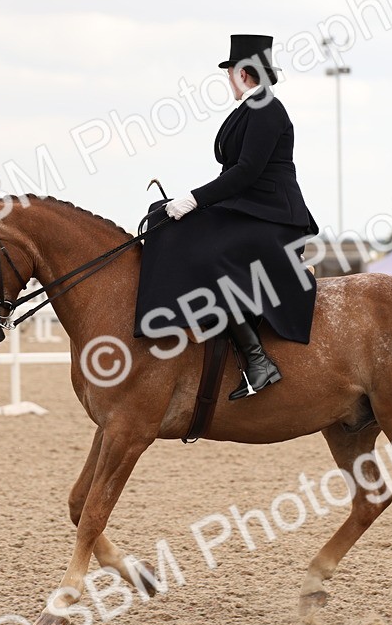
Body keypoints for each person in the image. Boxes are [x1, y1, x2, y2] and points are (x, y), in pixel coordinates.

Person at [133, 34, 319, 400]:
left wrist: (195, 199)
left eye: (230, 72)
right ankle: (183, 316)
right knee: (162, 219)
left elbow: (246, 171)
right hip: (249, 208)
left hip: (274, 217)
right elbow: (233, 172)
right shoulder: (248, 109)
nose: (228, 79)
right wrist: (190, 203)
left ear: (243, 73)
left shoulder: (267, 108)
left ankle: (258, 360)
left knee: (210, 253)